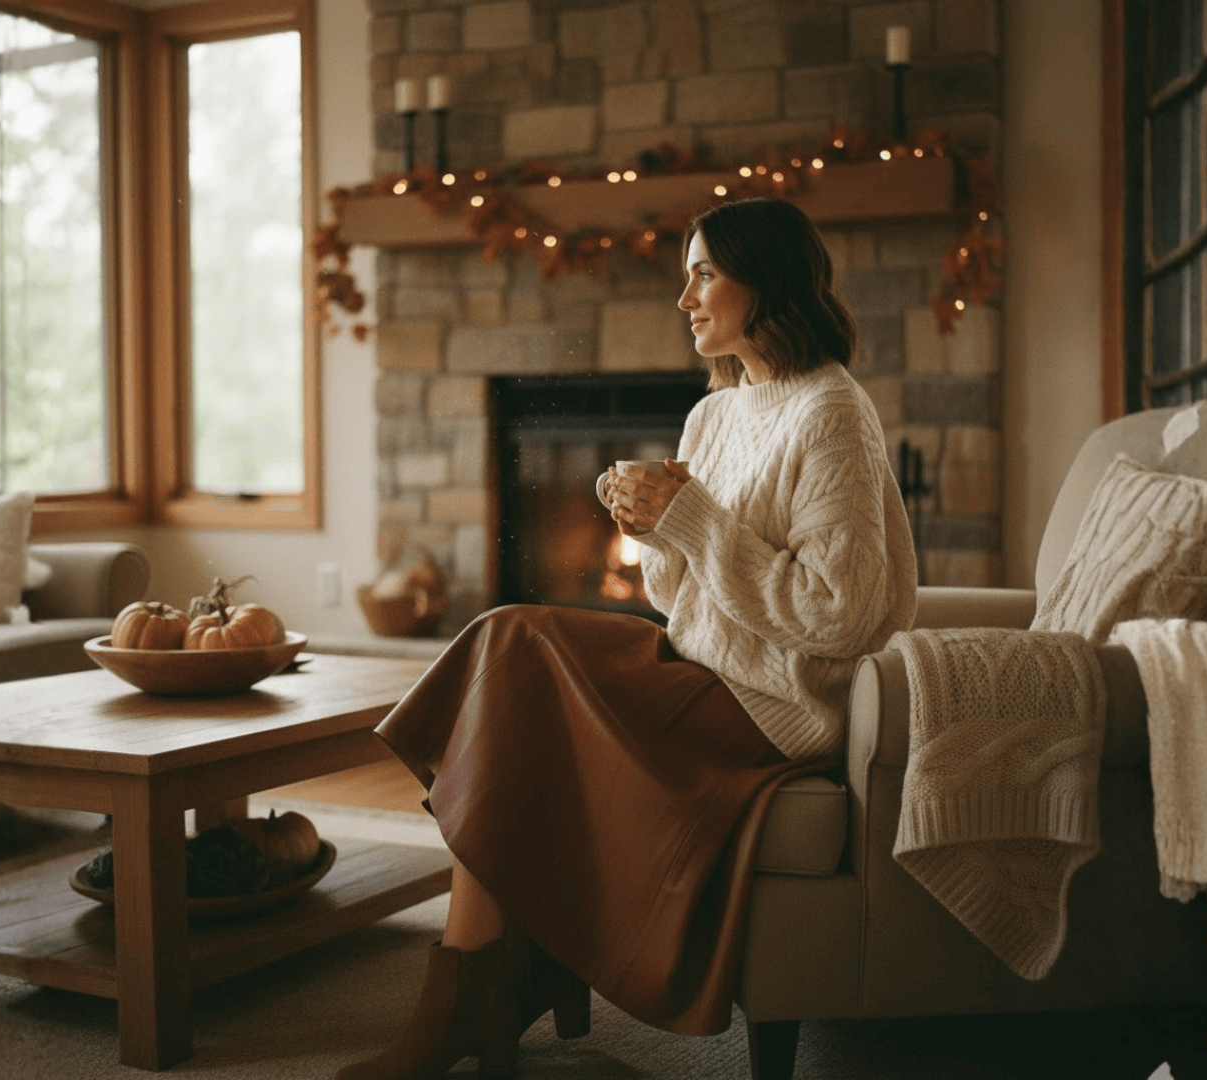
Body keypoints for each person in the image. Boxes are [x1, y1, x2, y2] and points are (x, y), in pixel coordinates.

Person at [335, 196, 918, 1080]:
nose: (684, 297)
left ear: (769, 282)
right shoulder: (715, 413)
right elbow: (677, 597)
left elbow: (840, 614)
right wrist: (653, 532)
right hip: (700, 664)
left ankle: (470, 996)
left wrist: (692, 522)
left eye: (704, 274)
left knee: (516, 654)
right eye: (685, 276)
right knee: (507, 639)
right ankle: (475, 986)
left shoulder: (829, 411)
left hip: (773, 704)